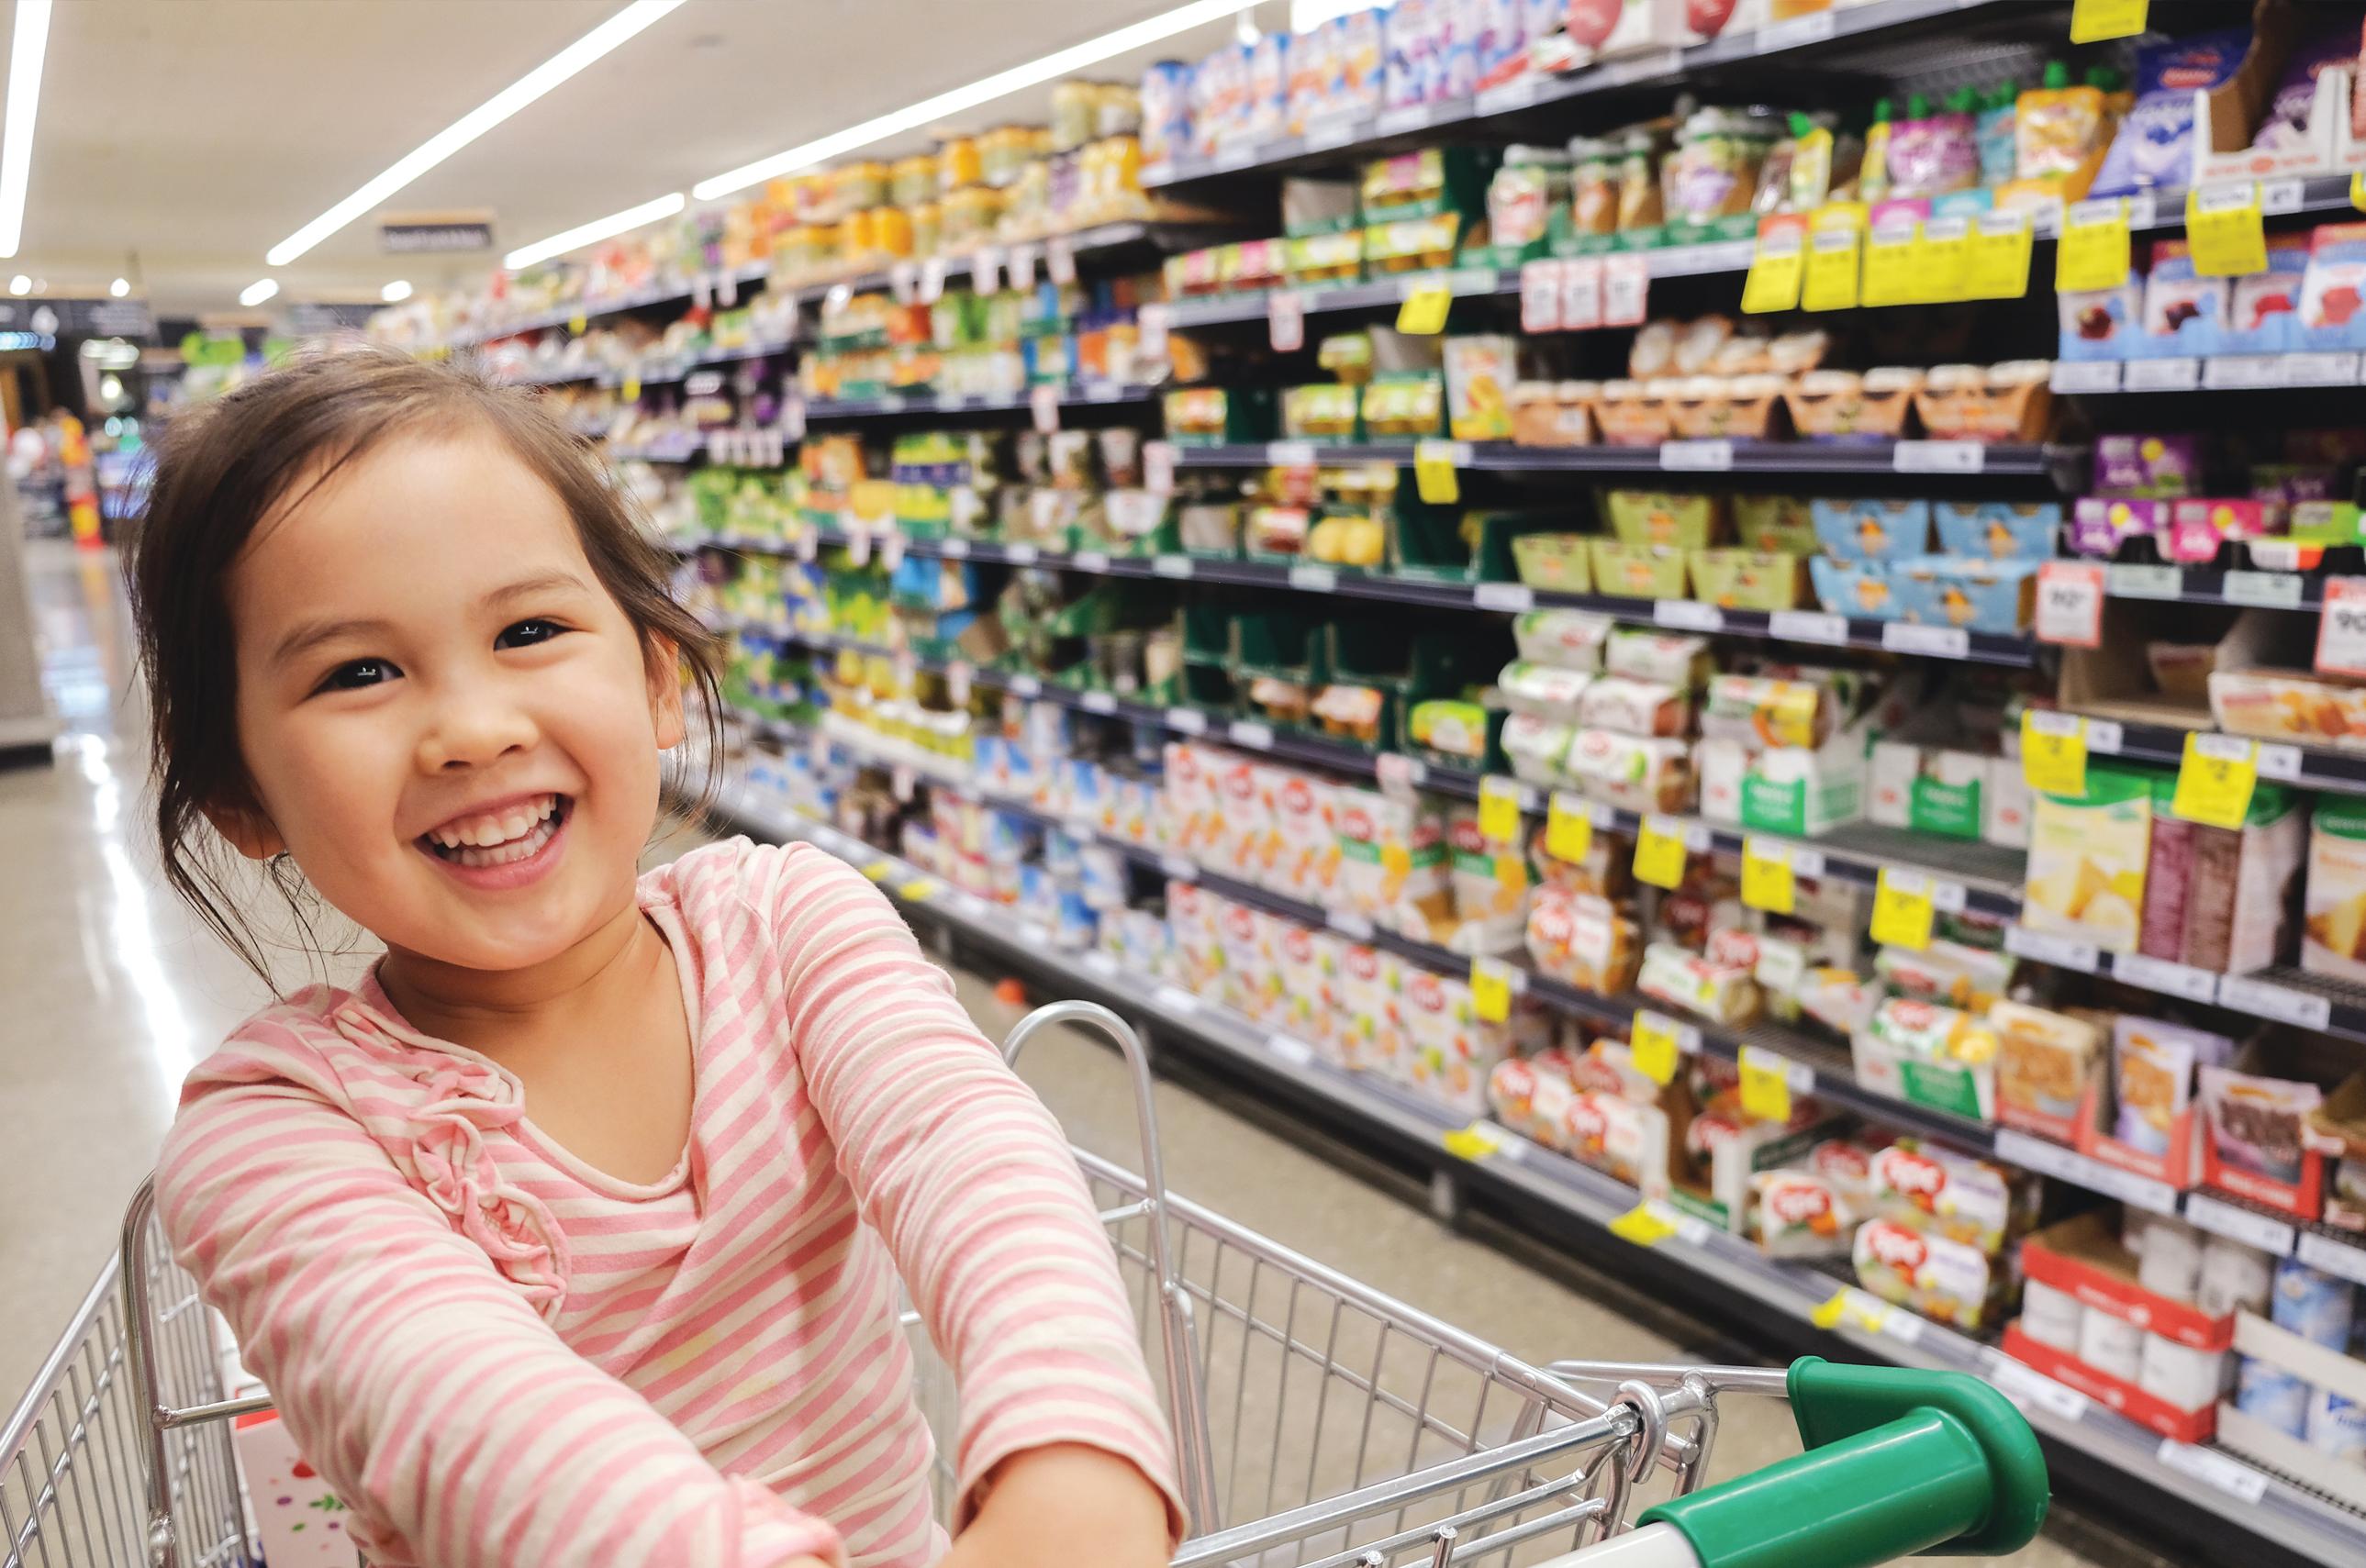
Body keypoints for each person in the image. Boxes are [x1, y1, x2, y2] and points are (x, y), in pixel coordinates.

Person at [128, 346, 1182, 1568]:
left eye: (528, 628)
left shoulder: (785, 927)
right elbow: (479, 1424)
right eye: (358, 671)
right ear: (238, 795)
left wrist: (1072, 1457)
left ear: (656, 679)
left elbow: (968, 1150)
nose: (474, 729)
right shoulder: (276, 1131)